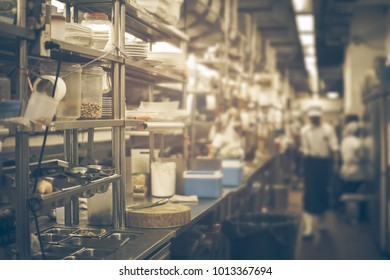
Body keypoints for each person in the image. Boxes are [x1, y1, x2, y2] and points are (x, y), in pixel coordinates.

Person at [300, 105, 339, 239]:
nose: (314, 120)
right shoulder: (305, 130)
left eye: (317, 117)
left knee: (323, 191)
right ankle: (309, 229)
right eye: (312, 118)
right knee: (310, 193)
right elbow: (304, 149)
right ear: (309, 118)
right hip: (310, 163)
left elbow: (334, 148)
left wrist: (335, 164)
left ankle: (322, 224)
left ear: (321, 117)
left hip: (324, 163)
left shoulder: (328, 129)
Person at [340, 121, 365, 193]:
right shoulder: (356, 141)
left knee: (348, 191)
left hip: (345, 170)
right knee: (355, 192)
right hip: (356, 172)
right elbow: (361, 156)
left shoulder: (344, 141)